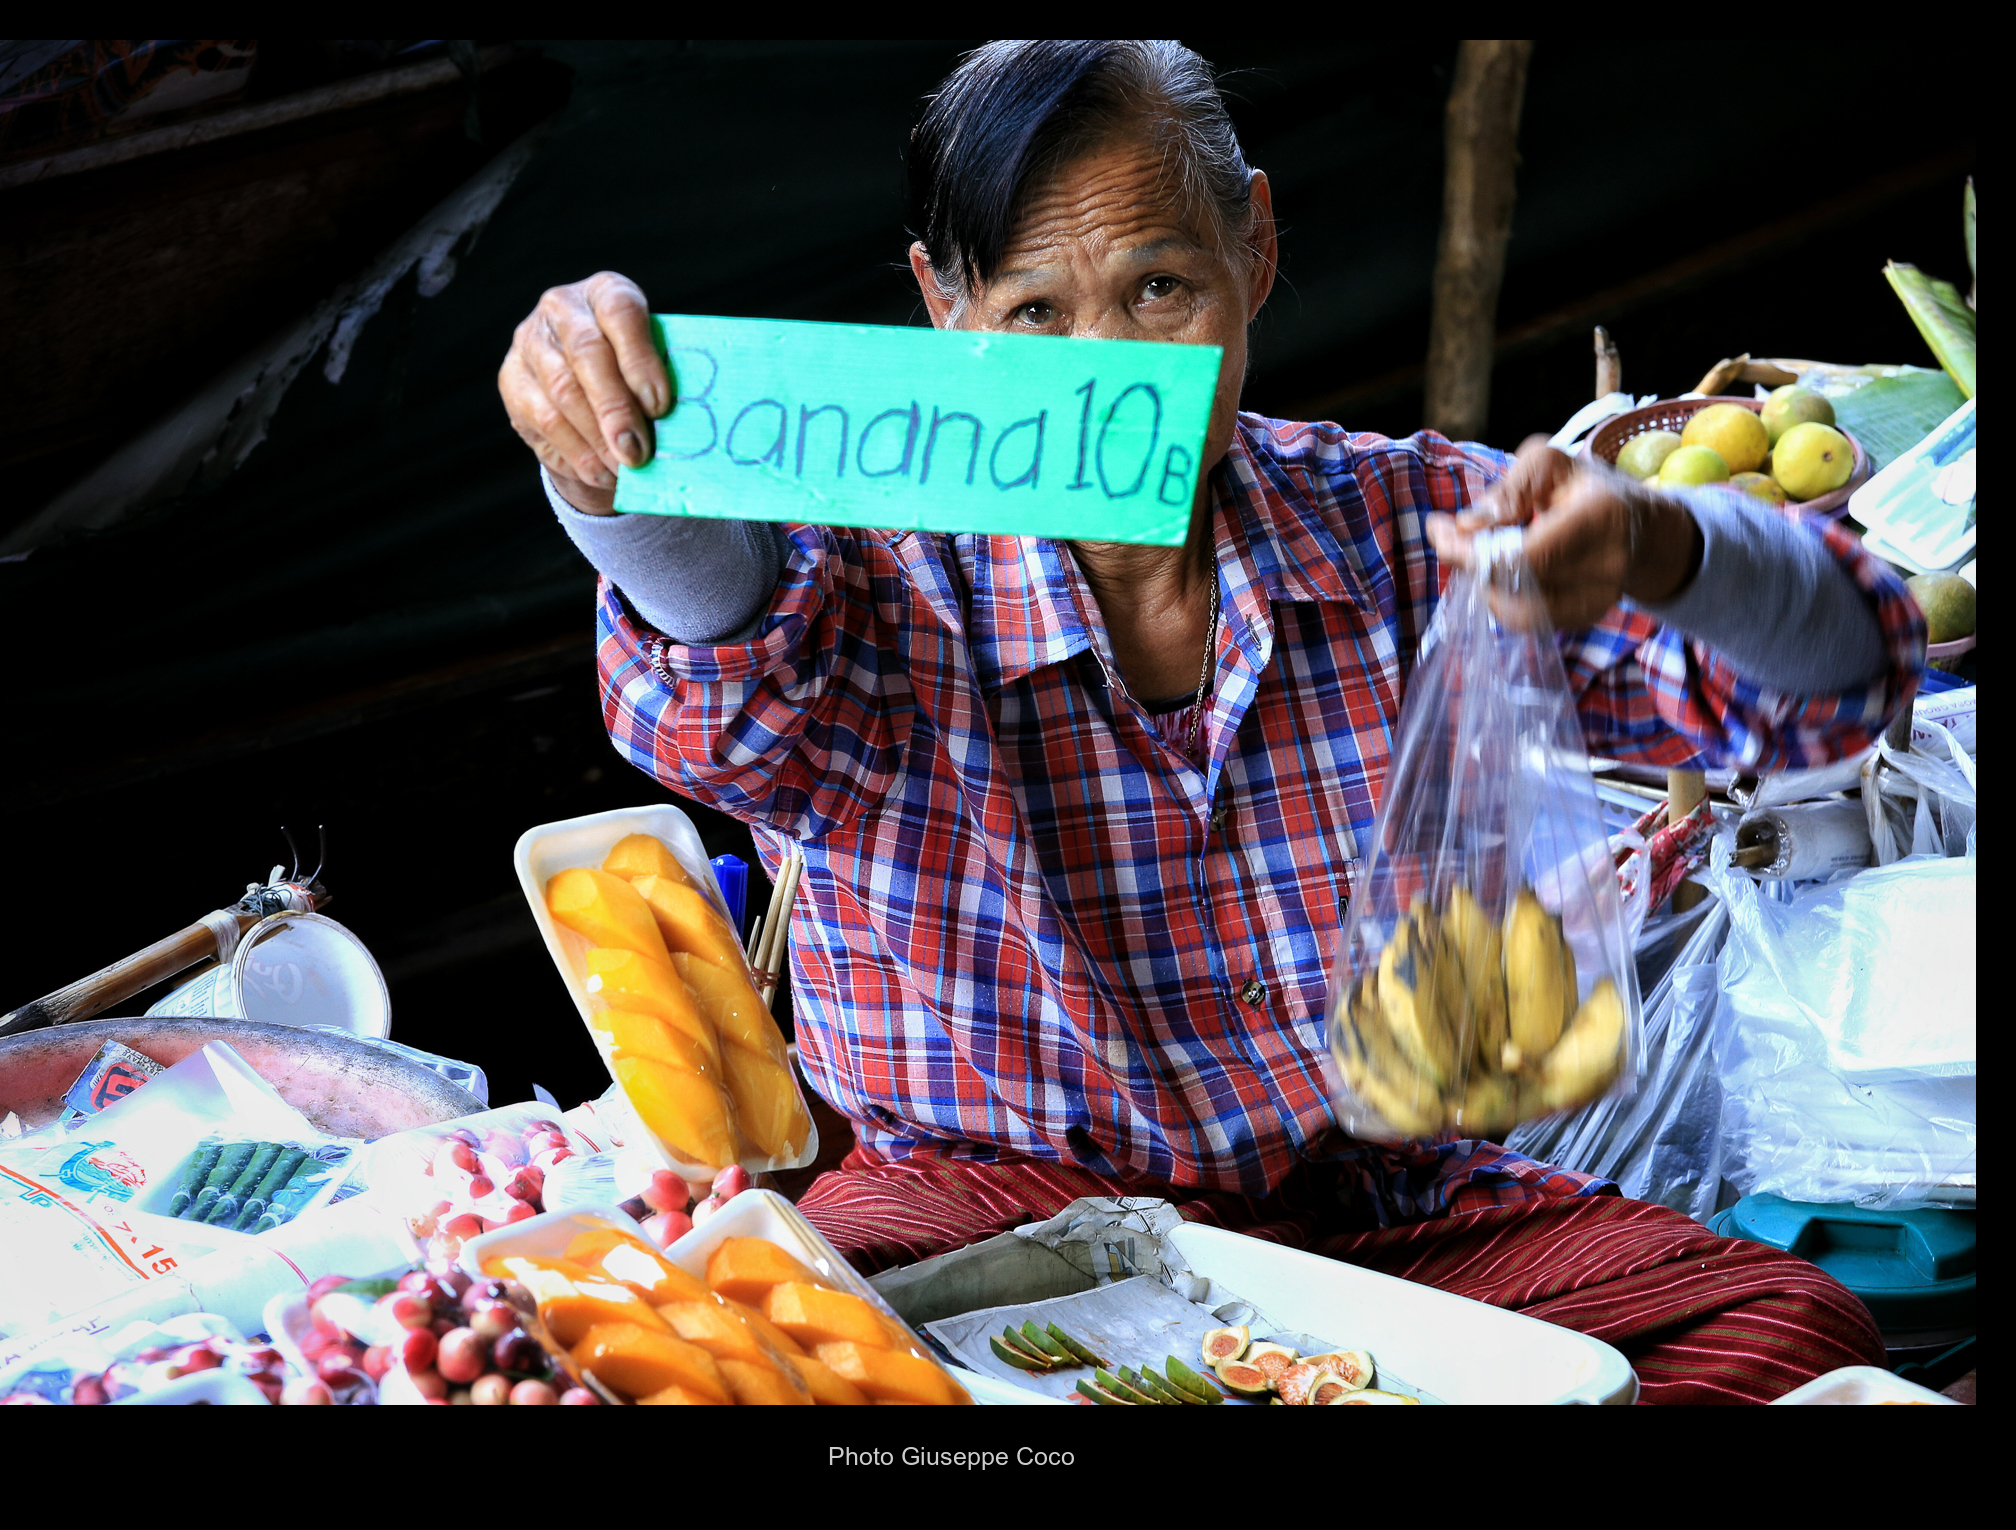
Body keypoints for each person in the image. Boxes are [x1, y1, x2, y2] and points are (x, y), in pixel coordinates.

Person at [498, 40, 1920, 1402]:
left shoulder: (1409, 529)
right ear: (946, 311)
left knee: (1787, 1327)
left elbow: (1849, 674)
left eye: (1160, 285)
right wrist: (608, 461)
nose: (1110, 370)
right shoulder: (872, 589)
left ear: (1256, 248)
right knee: (808, 1368)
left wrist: (1667, 545)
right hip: (985, 1216)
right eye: (1036, 316)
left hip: (1379, 1220)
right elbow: (720, 664)